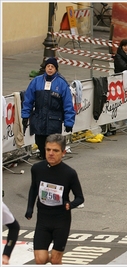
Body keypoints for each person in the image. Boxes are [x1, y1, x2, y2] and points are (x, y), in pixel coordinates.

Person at [25, 134, 84, 264]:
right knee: (40, 259)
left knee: (56, 261)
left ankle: (58, 259)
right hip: (43, 219)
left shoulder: (69, 173)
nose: (51, 153)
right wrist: (29, 208)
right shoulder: (37, 169)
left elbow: (80, 198)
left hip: (61, 220)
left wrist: (71, 204)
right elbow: (34, 188)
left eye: (55, 150)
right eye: (48, 150)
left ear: (63, 152)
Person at [21, 57, 75, 160]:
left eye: (52, 67)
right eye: (48, 66)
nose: (50, 69)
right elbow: (28, 100)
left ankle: (51, 165)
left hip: (54, 121)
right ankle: (44, 160)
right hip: (39, 120)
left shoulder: (62, 84)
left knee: (53, 145)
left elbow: (68, 105)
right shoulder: (36, 81)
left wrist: (69, 122)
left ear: (56, 69)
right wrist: (25, 115)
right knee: (40, 143)